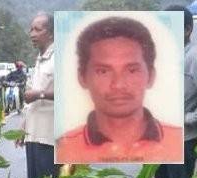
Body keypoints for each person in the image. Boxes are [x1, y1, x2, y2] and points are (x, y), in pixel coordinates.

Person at [56, 16, 182, 164]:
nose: (118, 85)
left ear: (151, 76)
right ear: (82, 77)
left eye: (132, 70)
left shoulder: (178, 142)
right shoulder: (63, 148)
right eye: (103, 71)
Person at [156, 5, 197, 178]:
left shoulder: (194, 57)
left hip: (183, 140)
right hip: (163, 137)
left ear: (187, 30)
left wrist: (184, 120)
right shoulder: (167, 57)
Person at [18, 12, 57, 178]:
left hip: (50, 138)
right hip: (33, 136)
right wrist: (23, 126)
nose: (32, 34)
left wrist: (39, 94)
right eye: (31, 29)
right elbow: (30, 101)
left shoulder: (59, 57)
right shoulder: (40, 60)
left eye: (37, 29)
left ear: (50, 33)